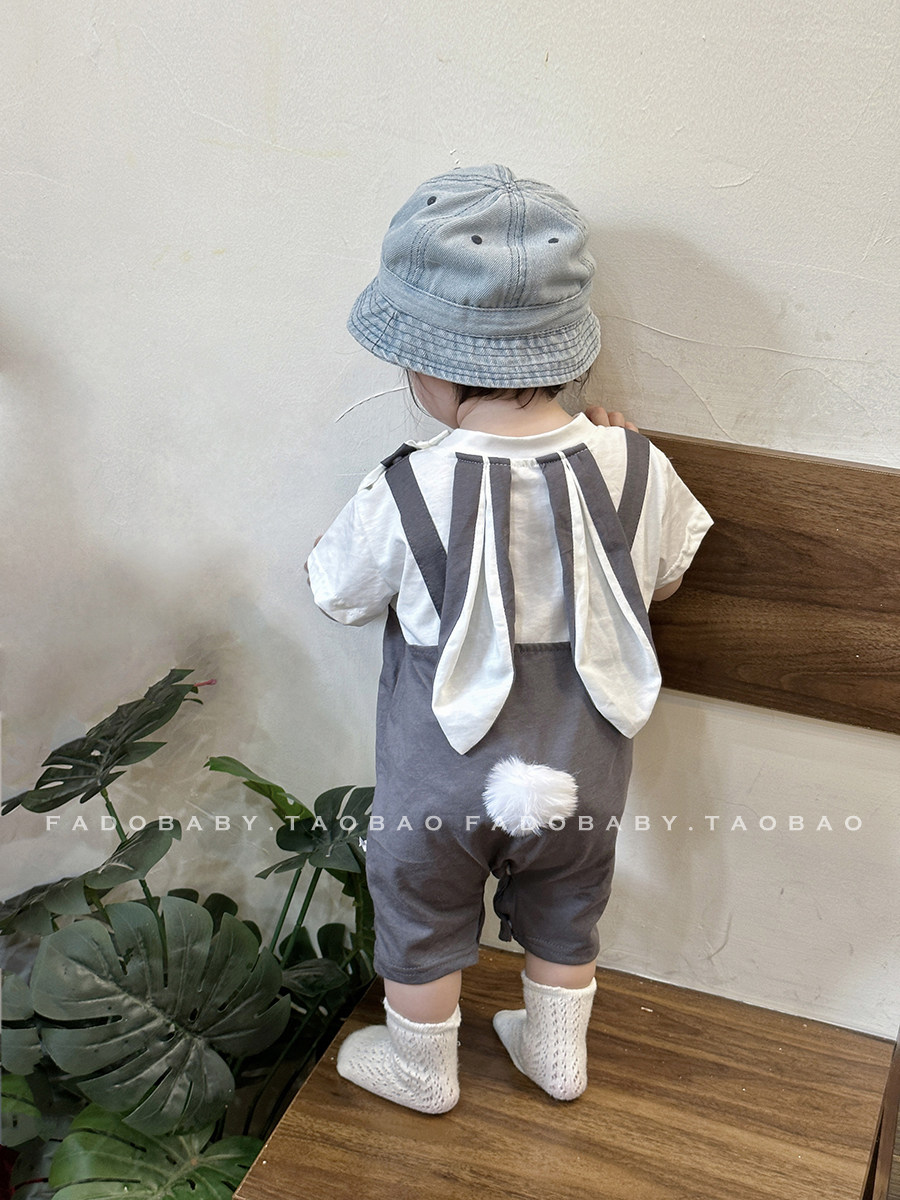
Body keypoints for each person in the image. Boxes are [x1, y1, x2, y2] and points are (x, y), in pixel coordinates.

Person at [305, 164, 712, 1114]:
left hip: (441, 769)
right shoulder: (635, 461)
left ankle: (422, 1069)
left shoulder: (410, 484)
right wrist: (624, 456)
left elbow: (337, 592)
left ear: (432, 368)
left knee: (421, 900)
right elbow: (662, 578)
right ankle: (556, 1055)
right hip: (585, 761)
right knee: (569, 901)